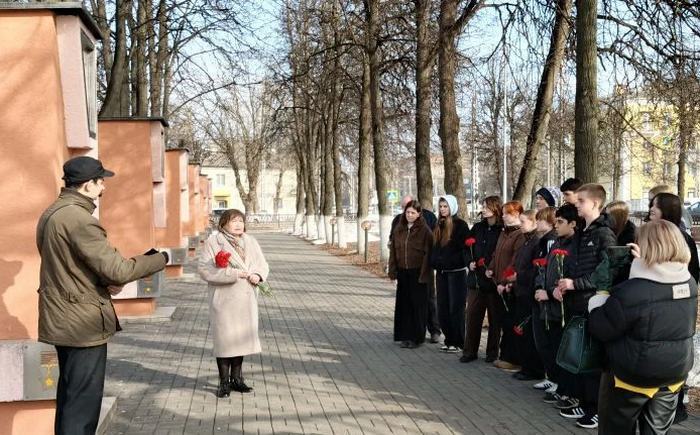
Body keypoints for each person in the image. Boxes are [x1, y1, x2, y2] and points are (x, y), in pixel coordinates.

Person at [37, 156, 168, 435]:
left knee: (70, 399)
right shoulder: (80, 220)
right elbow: (118, 270)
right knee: (82, 408)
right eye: (101, 181)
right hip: (82, 323)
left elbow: (70, 265)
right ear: (88, 184)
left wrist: (102, 280)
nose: (104, 187)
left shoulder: (52, 213)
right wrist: (160, 259)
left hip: (62, 317)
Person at [589, 220, 698, 435]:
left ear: (646, 246)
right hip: (673, 373)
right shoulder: (689, 283)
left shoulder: (633, 290)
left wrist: (601, 293)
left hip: (631, 377)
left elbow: (601, 327)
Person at [555, 183, 617, 429]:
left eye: (581, 201)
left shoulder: (604, 234)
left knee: (592, 359)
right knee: (580, 354)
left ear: (595, 203)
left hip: (592, 302)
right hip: (576, 301)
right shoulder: (583, 231)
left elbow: (607, 270)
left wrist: (576, 283)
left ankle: (597, 409)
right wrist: (565, 282)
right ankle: (583, 402)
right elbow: (575, 263)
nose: (576, 204)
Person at [199, 209, 270, 398]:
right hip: (224, 300)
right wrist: (233, 274)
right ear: (223, 223)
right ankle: (224, 382)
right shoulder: (214, 242)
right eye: (234, 221)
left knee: (240, 340)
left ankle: (237, 379)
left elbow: (262, 264)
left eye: (241, 221)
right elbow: (204, 270)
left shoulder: (250, 241)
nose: (238, 224)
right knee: (225, 341)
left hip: (245, 299)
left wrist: (258, 275)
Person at [533, 205, 577, 400]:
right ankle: (556, 381)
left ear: (572, 224)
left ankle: (563, 386)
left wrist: (550, 293)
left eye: (560, 222)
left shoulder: (574, 246)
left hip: (561, 306)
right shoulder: (557, 242)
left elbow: (567, 276)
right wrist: (539, 287)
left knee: (561, 348)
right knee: (548, 345)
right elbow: (545, 269)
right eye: (556, 221)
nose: (556, 225)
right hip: (548, 304)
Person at [390, 195, 440, 343]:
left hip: (419, 272)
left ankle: (422, 335)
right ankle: (405, 336)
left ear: (418, 213)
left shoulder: (425, 229)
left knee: (420, 305)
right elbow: (393, 250)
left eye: (412, 212)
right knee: (404, 305)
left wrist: (425, 273)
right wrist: (392, 272)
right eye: (407, 211)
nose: (409, 214)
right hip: (403, 271)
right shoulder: (399, 227)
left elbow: (429, 252)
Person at [462, 196, 504, 363]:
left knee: (495, 319)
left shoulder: (502, 230)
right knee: (472, 317)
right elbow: (467, 248)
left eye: (487, 206)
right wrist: (469, 262)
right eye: (483, 206)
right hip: (476, 281)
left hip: (493, 281)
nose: (483, 209)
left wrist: (493, 268)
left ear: (495, 208)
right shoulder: (477, 228)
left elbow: (501, 253)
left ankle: (492, 353)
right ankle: (469, 351)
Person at [486, 200, 526, 371]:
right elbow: (497, 253)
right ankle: (504, 355)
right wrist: (490, 268)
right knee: (501, 320)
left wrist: (505, 281)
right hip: (498, 283)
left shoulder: (519, 234)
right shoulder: (504, 232)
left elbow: (514, 261)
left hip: (509, 285)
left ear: (515, 214)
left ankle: (512, 358)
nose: (503, 216)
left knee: (510, 322)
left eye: (506, 214)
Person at [430, 194, 470, 353]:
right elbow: (435, 247)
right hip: (442, 273)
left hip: (456, 273)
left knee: (456, 308)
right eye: (440, 206)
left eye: (445, 206)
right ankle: (449, 339)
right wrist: (435, 261)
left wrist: (452, 261)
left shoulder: (460, 225)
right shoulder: (438, 224)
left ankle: (458, 341)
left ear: (452, 207)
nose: (442, 209)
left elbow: (464, 249)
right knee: (443, 307)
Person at [510, 209, 545, 381]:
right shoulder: (526, 240)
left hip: (528, 291)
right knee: (521, 330)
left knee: (528, 332)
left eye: (523, 222)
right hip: (520, 289)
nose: (520, 224)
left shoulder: (536, 242)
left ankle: (533, 369)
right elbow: (519, 262)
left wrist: (519, 276)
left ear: (533, 223)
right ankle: (525, 366)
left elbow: (534, 269)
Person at [648, 193, 700, 282]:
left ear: (668, 210)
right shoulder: (648, 234)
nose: (652, 209)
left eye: (657, 206)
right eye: (652, 205)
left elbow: (692, 270)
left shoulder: (682, 238)